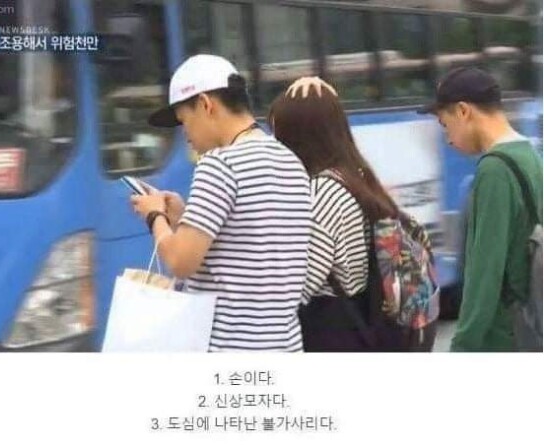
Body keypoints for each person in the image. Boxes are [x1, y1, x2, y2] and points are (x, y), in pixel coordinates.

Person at [130, 55, 312, 352]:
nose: (185, 134)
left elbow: (180, 262)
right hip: (284, 345)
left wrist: (154, 216)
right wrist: (185, 217)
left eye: (184, 121)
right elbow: (248, 243)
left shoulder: (219, 164)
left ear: (206, 104)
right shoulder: (289, 160)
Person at [269, 77, 415, 351]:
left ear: (300, 137)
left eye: (280, 135)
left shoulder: (323, 193)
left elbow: (301, 285)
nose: (275, 145)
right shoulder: (353, 176)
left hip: (331, 335)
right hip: (355, 325)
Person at [419, 67, 543, 351]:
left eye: (445, 125)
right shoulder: (531, 157)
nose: (449, 139)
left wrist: (463, 346)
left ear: (463, 111)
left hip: (504, 338)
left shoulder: (494, 170)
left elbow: (484, 272)